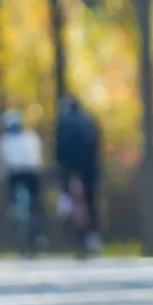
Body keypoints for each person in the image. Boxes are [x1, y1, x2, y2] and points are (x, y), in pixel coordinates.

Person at [55, 94, 103, 254]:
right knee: (90, 200)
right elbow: (97, 142)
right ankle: (93, 236)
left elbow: (60, 148)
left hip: (73, 168)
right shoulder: (89, 120)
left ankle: (81, 237)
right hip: (91, 166)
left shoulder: (64, 123)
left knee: (74, 200)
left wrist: (62, 169)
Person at [0, 109, 46, 249]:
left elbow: (0, 164)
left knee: (14, 200)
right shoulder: (31, 136)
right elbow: (38, 158)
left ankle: (14, 210)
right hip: (32, 173)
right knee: (36, 203)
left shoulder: (4, 140)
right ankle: (39, 233)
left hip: (15, 175)